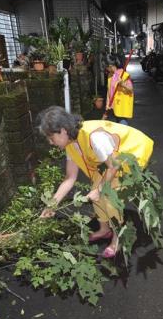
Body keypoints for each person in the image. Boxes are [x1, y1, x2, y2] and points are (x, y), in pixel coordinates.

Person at [38, 106, 154, 258]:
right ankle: (105, 229)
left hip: (130, 154)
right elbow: (70, 178)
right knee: (96, 190)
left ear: (63, 130)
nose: (50, 142)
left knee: (111, 196)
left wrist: (99, 190)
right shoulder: (70, 144)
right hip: (112, 161)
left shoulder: (95, 137)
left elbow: (114, 165)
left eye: (51, 137)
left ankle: (118, 237)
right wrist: (52, 204)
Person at [104, 56, 134, 125]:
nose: (106, 70)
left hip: (122, 107)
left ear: (111, 66)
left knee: (122, 126)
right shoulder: (110, 76)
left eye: (107, 68)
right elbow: (109, 91)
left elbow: (131, 89)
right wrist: (107, 104)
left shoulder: (123, 75)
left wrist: (123, 84)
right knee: (118, 125)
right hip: (115, 107)